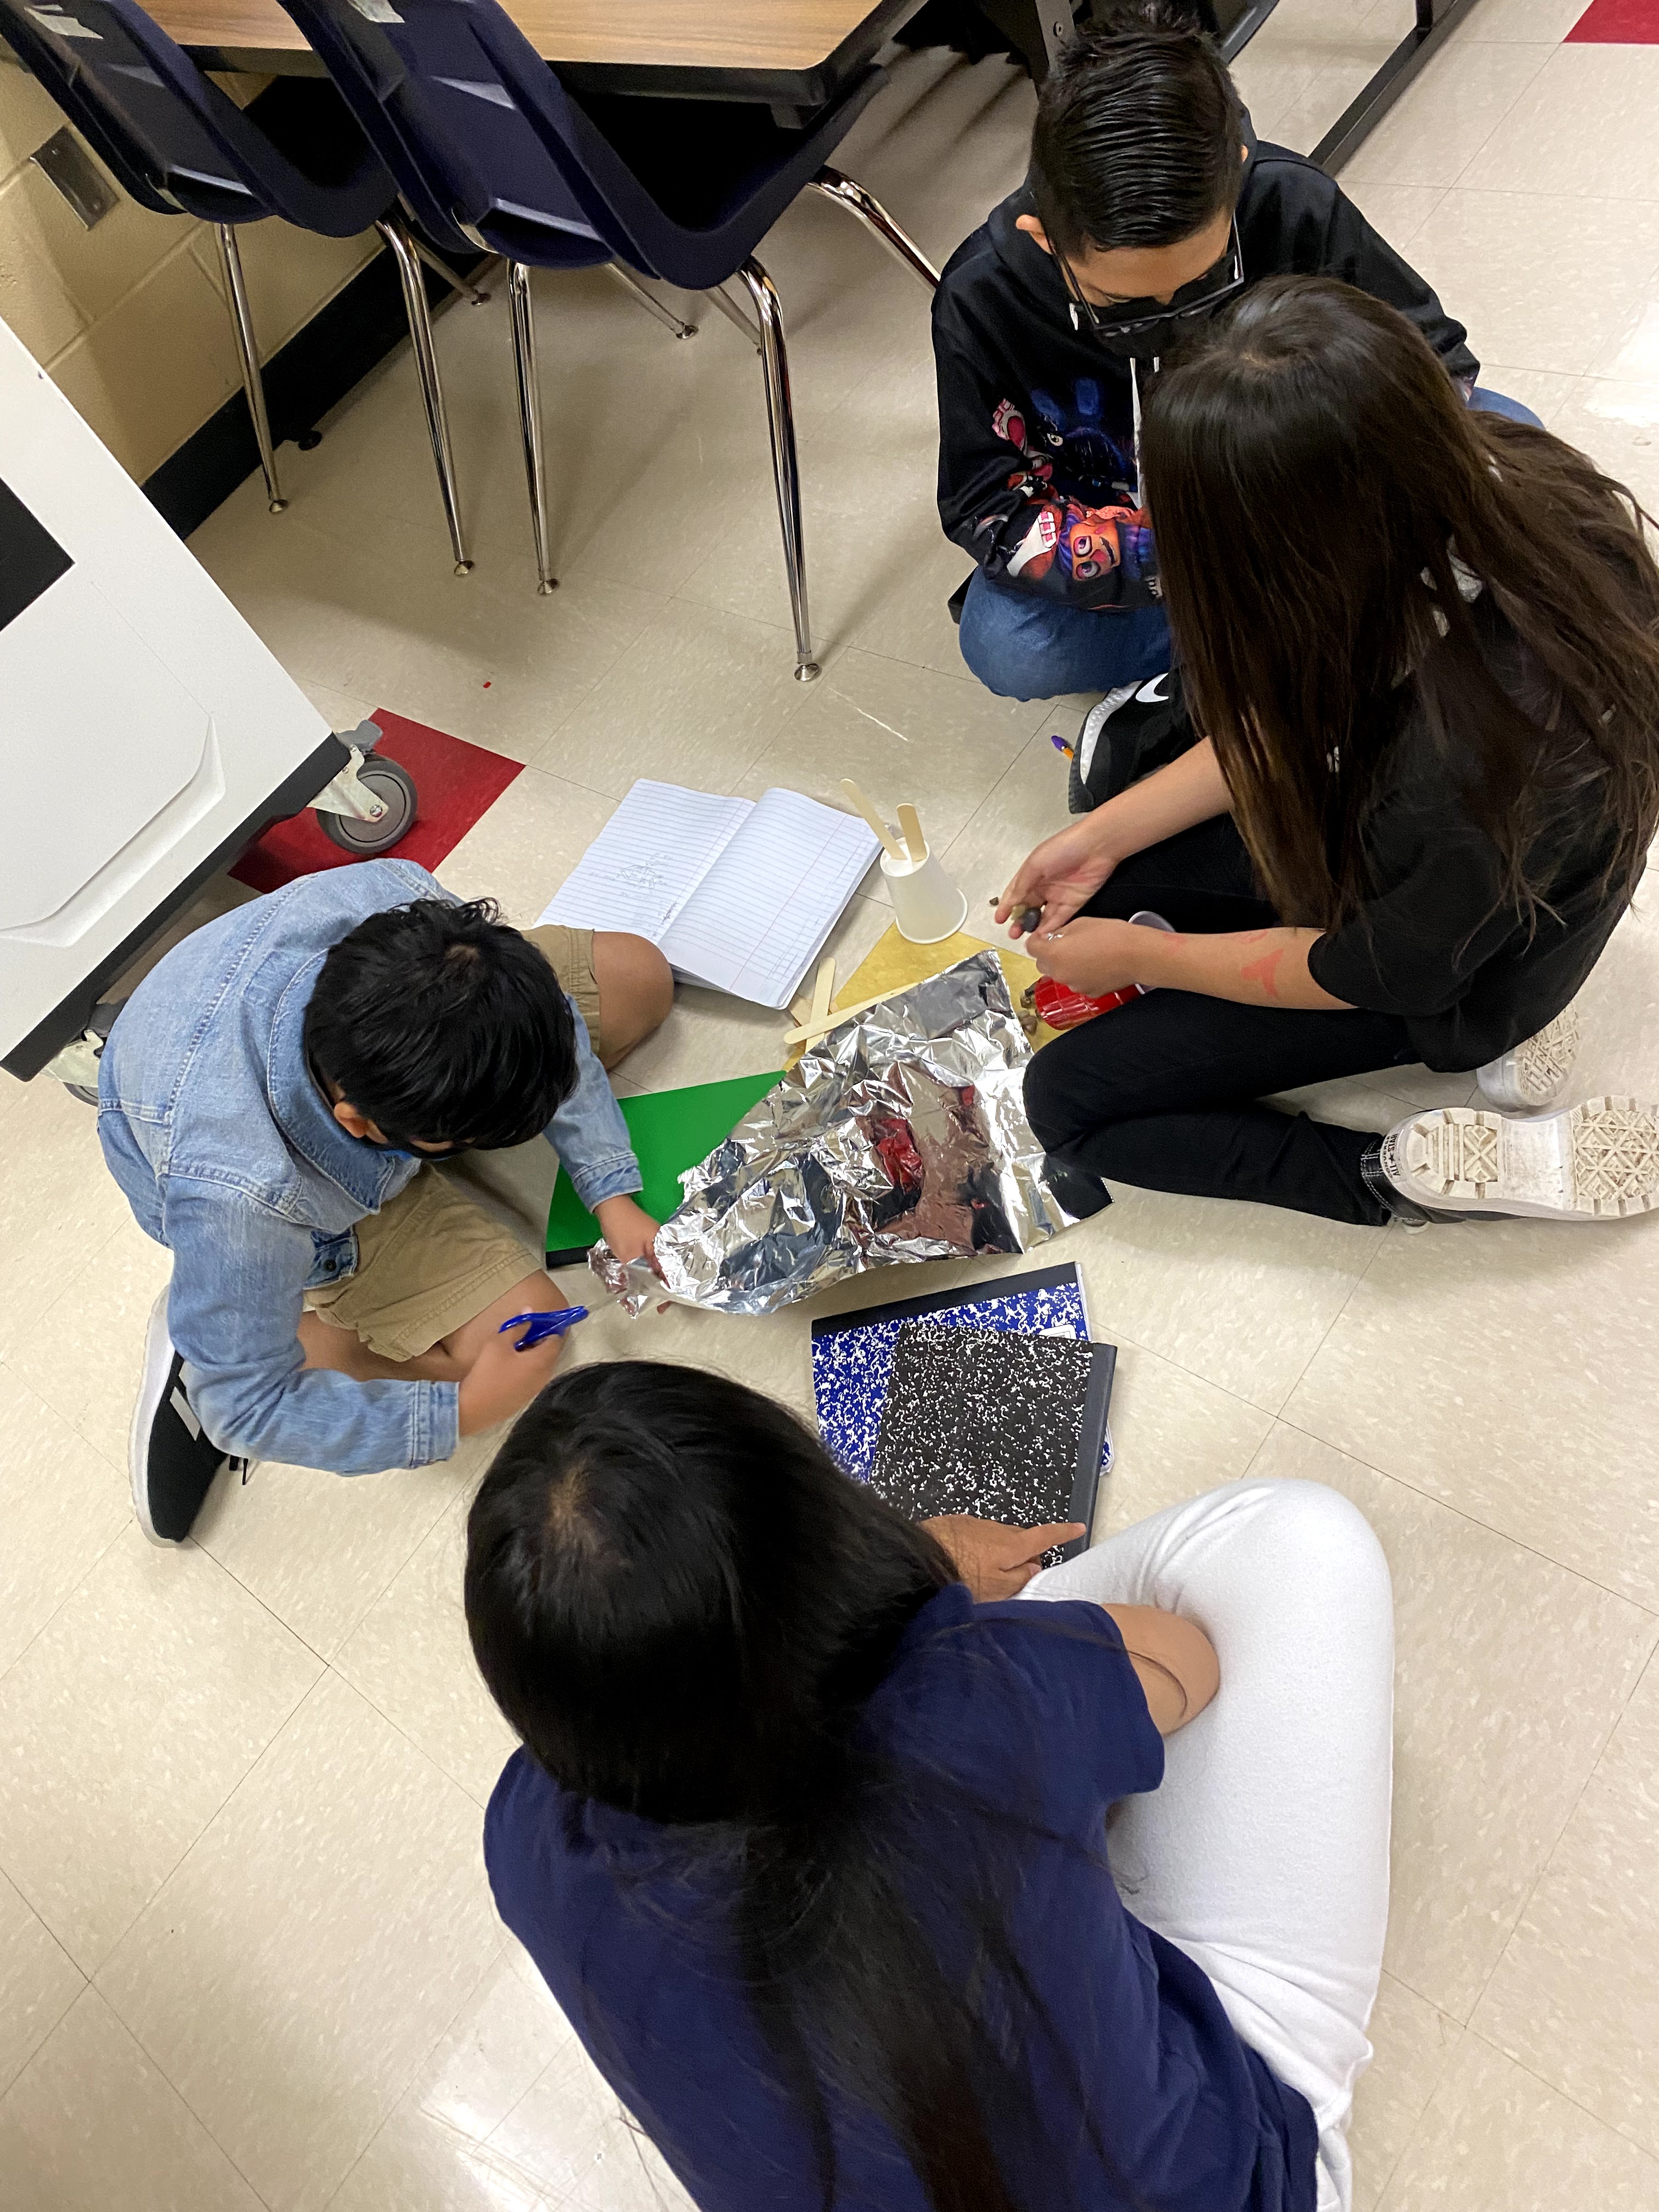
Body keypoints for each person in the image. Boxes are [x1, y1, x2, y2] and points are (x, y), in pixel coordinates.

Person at [469, 1359, 1394, 2212]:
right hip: (1239, 2180)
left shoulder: (523, 1842)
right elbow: (1185, 1666)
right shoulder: (979, 1694)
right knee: (1292, 1538)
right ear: (827, 1532)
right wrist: (932, 1584)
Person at [998, 276, 1659, 1229]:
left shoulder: (1469, 765)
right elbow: (1282, 723)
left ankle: (1381, 1177)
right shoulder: (1495, 474)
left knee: (1063, 1103)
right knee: (1102, 885)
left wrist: (1148, 954)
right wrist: (1100, 834)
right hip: (1423, 863)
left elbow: (1373, 972)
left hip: (1457, 968)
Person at [934, 2, 1536, 713]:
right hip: (1149, 544)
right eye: (1121, 308)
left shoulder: (1290, 199)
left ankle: (1274, 629)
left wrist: (1325, 512)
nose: (1167, 325)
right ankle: (1296, 628)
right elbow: (987, 500)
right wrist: (1186, 560)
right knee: (1007, 648)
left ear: (1238, 176)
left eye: (1202, 286)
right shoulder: (982, 294)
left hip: (1309, 489)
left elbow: (1435, 362)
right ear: (1044, 240)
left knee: (1519, 454)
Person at [97, 859, 672, 1543]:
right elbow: (242, 1410)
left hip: (310, 1072)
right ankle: (224, 1323)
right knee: (526, 1340)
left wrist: (611, 1192)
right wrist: (457, 1411)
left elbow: (547, 1015)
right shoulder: (246, 1202)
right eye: (463, 1140)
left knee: (638, 975)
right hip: (279, 1213)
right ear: (360, 1125)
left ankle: (244, 1305)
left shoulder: (401, 902)